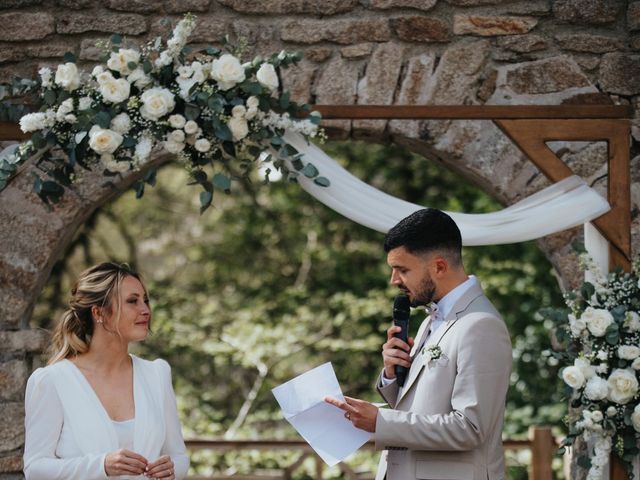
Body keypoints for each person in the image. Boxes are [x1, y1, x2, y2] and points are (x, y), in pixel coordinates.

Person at [325, 208, 512, 480]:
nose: (394, 280)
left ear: (439, 266)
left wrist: (381, 422)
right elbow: (421, 407)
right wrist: (392, 374)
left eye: (402, 269)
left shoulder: (481, 325)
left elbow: (470, 428)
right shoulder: (430, 319)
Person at [23, 262, 190, 480]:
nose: (145, 310)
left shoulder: (157, 374)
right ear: (99, 312)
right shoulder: (52, 381)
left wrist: (172, 469)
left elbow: (179, 456)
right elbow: (35, 468)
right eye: (132, 301)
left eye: (145, 300)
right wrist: (101, 465)